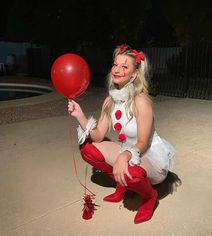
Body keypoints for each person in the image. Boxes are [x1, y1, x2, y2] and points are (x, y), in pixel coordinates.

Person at [68, 44, 176, 224]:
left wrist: (124, 156)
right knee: (88, 149)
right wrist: (80, 116)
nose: (117, 70)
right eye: (115, 65)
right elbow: (98, 136)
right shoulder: (110, 101)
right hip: (127, 150)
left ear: (134, 74)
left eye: (124, 66)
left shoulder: (141, 101)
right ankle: (122, 183)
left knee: (132, 172)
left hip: (149, 155)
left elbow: (142, 142)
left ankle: (150, 197)